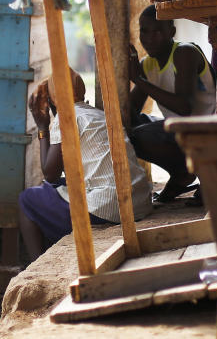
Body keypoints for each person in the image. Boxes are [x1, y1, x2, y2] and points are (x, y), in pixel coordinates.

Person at [18, 69, 152, 259]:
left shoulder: (66, 118)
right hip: (138, 202)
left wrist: (42, 127)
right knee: (54, 187)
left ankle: (35, 263)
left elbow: (50, 173)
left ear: (51, 100)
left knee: (27, 199)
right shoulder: (99, 114)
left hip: (110, 207)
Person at [128, 5, 216, 204]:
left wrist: (139, 80)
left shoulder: (185, 52)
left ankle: (197, 173)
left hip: (207, 129)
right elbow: (130, 111)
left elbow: (185, 107)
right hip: (180, 131)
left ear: (172, 32)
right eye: (145, 31)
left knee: (140, 135)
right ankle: (182, 173)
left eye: (158, 31)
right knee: (126, 128)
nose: (150, 38)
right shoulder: (146, 64)